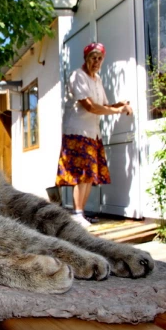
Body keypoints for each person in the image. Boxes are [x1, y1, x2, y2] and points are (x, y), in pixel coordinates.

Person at [55, 42, 133, 228]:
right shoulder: (78, 76)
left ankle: (80, 213)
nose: (96, 61)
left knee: (89, 174)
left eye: (100, 58)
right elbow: (90, 106)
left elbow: (104, 105)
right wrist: (118, 110)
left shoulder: (96, 80)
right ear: (86, 58)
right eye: (93, 57)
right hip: (77, 131)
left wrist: (119, 105)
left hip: (92, 132)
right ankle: (77, 213)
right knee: (81, 174)